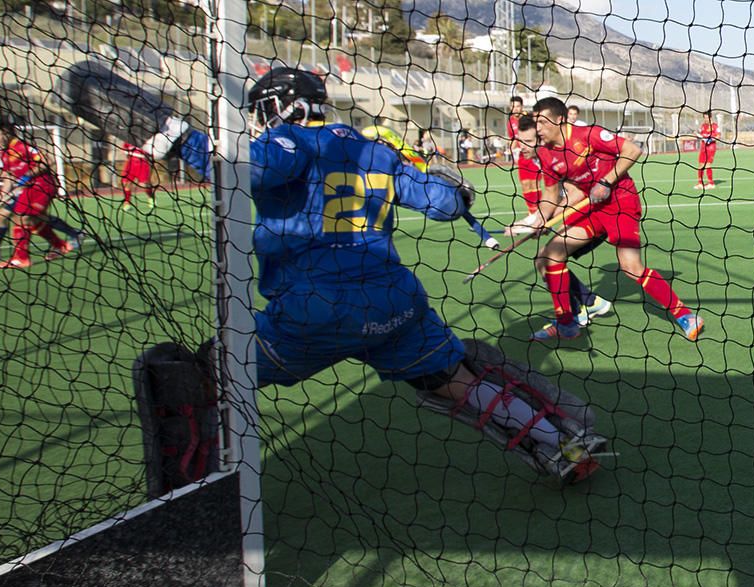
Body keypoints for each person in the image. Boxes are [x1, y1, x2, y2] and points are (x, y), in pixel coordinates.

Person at [63, 66, 606, 484]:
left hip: (311, 310)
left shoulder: (287, 142)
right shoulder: (372, 146)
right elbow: (443, 203)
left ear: (279, 108)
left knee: (212, 367)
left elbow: (245, 169)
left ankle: (197, 481)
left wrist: (178, 136)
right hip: (394, 302)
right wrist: (452, 185)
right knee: (457, 382)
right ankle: (560, 445)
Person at [528, 96, 704, 341]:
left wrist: (605, 181)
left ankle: (685, 315)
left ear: (559, 120)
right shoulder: (546, 155)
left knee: (631, 268)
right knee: (549, 256)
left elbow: (632, 150)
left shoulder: (588, 134)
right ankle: (567, 323)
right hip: (590, 207)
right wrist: (541, 220)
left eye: (542, 122)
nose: (538, 129)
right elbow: (554, 195)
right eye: (535, 123)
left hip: (620, 201)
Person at [505, 113, 613, 333]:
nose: (522, 146)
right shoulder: (541, 158)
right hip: (578, 212)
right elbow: (552, 197)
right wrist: (534, 222)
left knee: (548, 258)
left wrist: (541, 222)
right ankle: (590, 303)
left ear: (542, 137)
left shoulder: (555, 153)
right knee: (543, 259)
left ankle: (574, 315)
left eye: (527, 141)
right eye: (519, 140)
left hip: (593, 213)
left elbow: (574, 194)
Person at [0, 121, 83, 268]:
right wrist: (0, 197)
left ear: (10, 133)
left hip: (41, 185)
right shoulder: (3, 154)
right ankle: (62, 243)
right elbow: (8, 178)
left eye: (1, 133)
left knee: (22, 217)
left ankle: (22, 258)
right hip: (26, 189)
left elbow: (46, 161)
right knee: (15, 218)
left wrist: (28, 175)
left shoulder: (23, 146)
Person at [506, 96, 542, 214]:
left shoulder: (529, 118)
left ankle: (538, 211)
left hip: (532, 155)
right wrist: (513, 153)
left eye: (517, 106)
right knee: (525, 184)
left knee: (534, 183)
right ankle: (531, 212)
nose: (515, 108)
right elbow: (512, 139)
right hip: (521, 156)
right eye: (512, 106)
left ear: (521, 106)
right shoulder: (510, 121)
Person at [120, 141, 156, 210]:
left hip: (143, 164)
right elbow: (124, 147)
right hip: (131, 163)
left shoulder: (146, 139)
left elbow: (152, 152)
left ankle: (151, 197)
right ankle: (127, 203)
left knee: (144, 185)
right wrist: (126, 152)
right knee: (126, 183)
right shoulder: (128, 138)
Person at [695, 110, 719, 189]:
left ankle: (711, 183)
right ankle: (700, 183)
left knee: (708, 164)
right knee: (701, 165)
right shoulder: (703, 126)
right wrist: (697, 135)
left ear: (710, 117)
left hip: (711, 148)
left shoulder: (715, 126)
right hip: (703, 148)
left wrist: (710, 140)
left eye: (707, 117)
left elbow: (718, 136)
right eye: (704, 118)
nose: (705, 119)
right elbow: (701, 135)